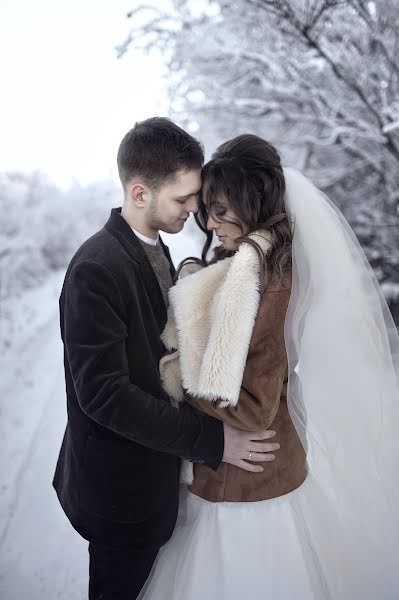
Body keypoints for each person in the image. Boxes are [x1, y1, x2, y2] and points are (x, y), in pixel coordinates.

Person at [138, 134, 399, 599]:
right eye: (207, 211)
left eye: (221, 210)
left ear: (251, 201)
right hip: (233, 474)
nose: (211, 222)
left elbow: (253, 405)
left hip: (250, 486)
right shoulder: (242, 264)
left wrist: (178, 388)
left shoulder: (266, 280)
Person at [52, 120, 280, 600]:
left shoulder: (156, 248)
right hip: (120, 495)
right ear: (139, 193)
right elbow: (104, 395)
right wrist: (212, 439)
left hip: (156, 480)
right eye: (183, 199)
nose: (195, 209)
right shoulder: (97, 268)